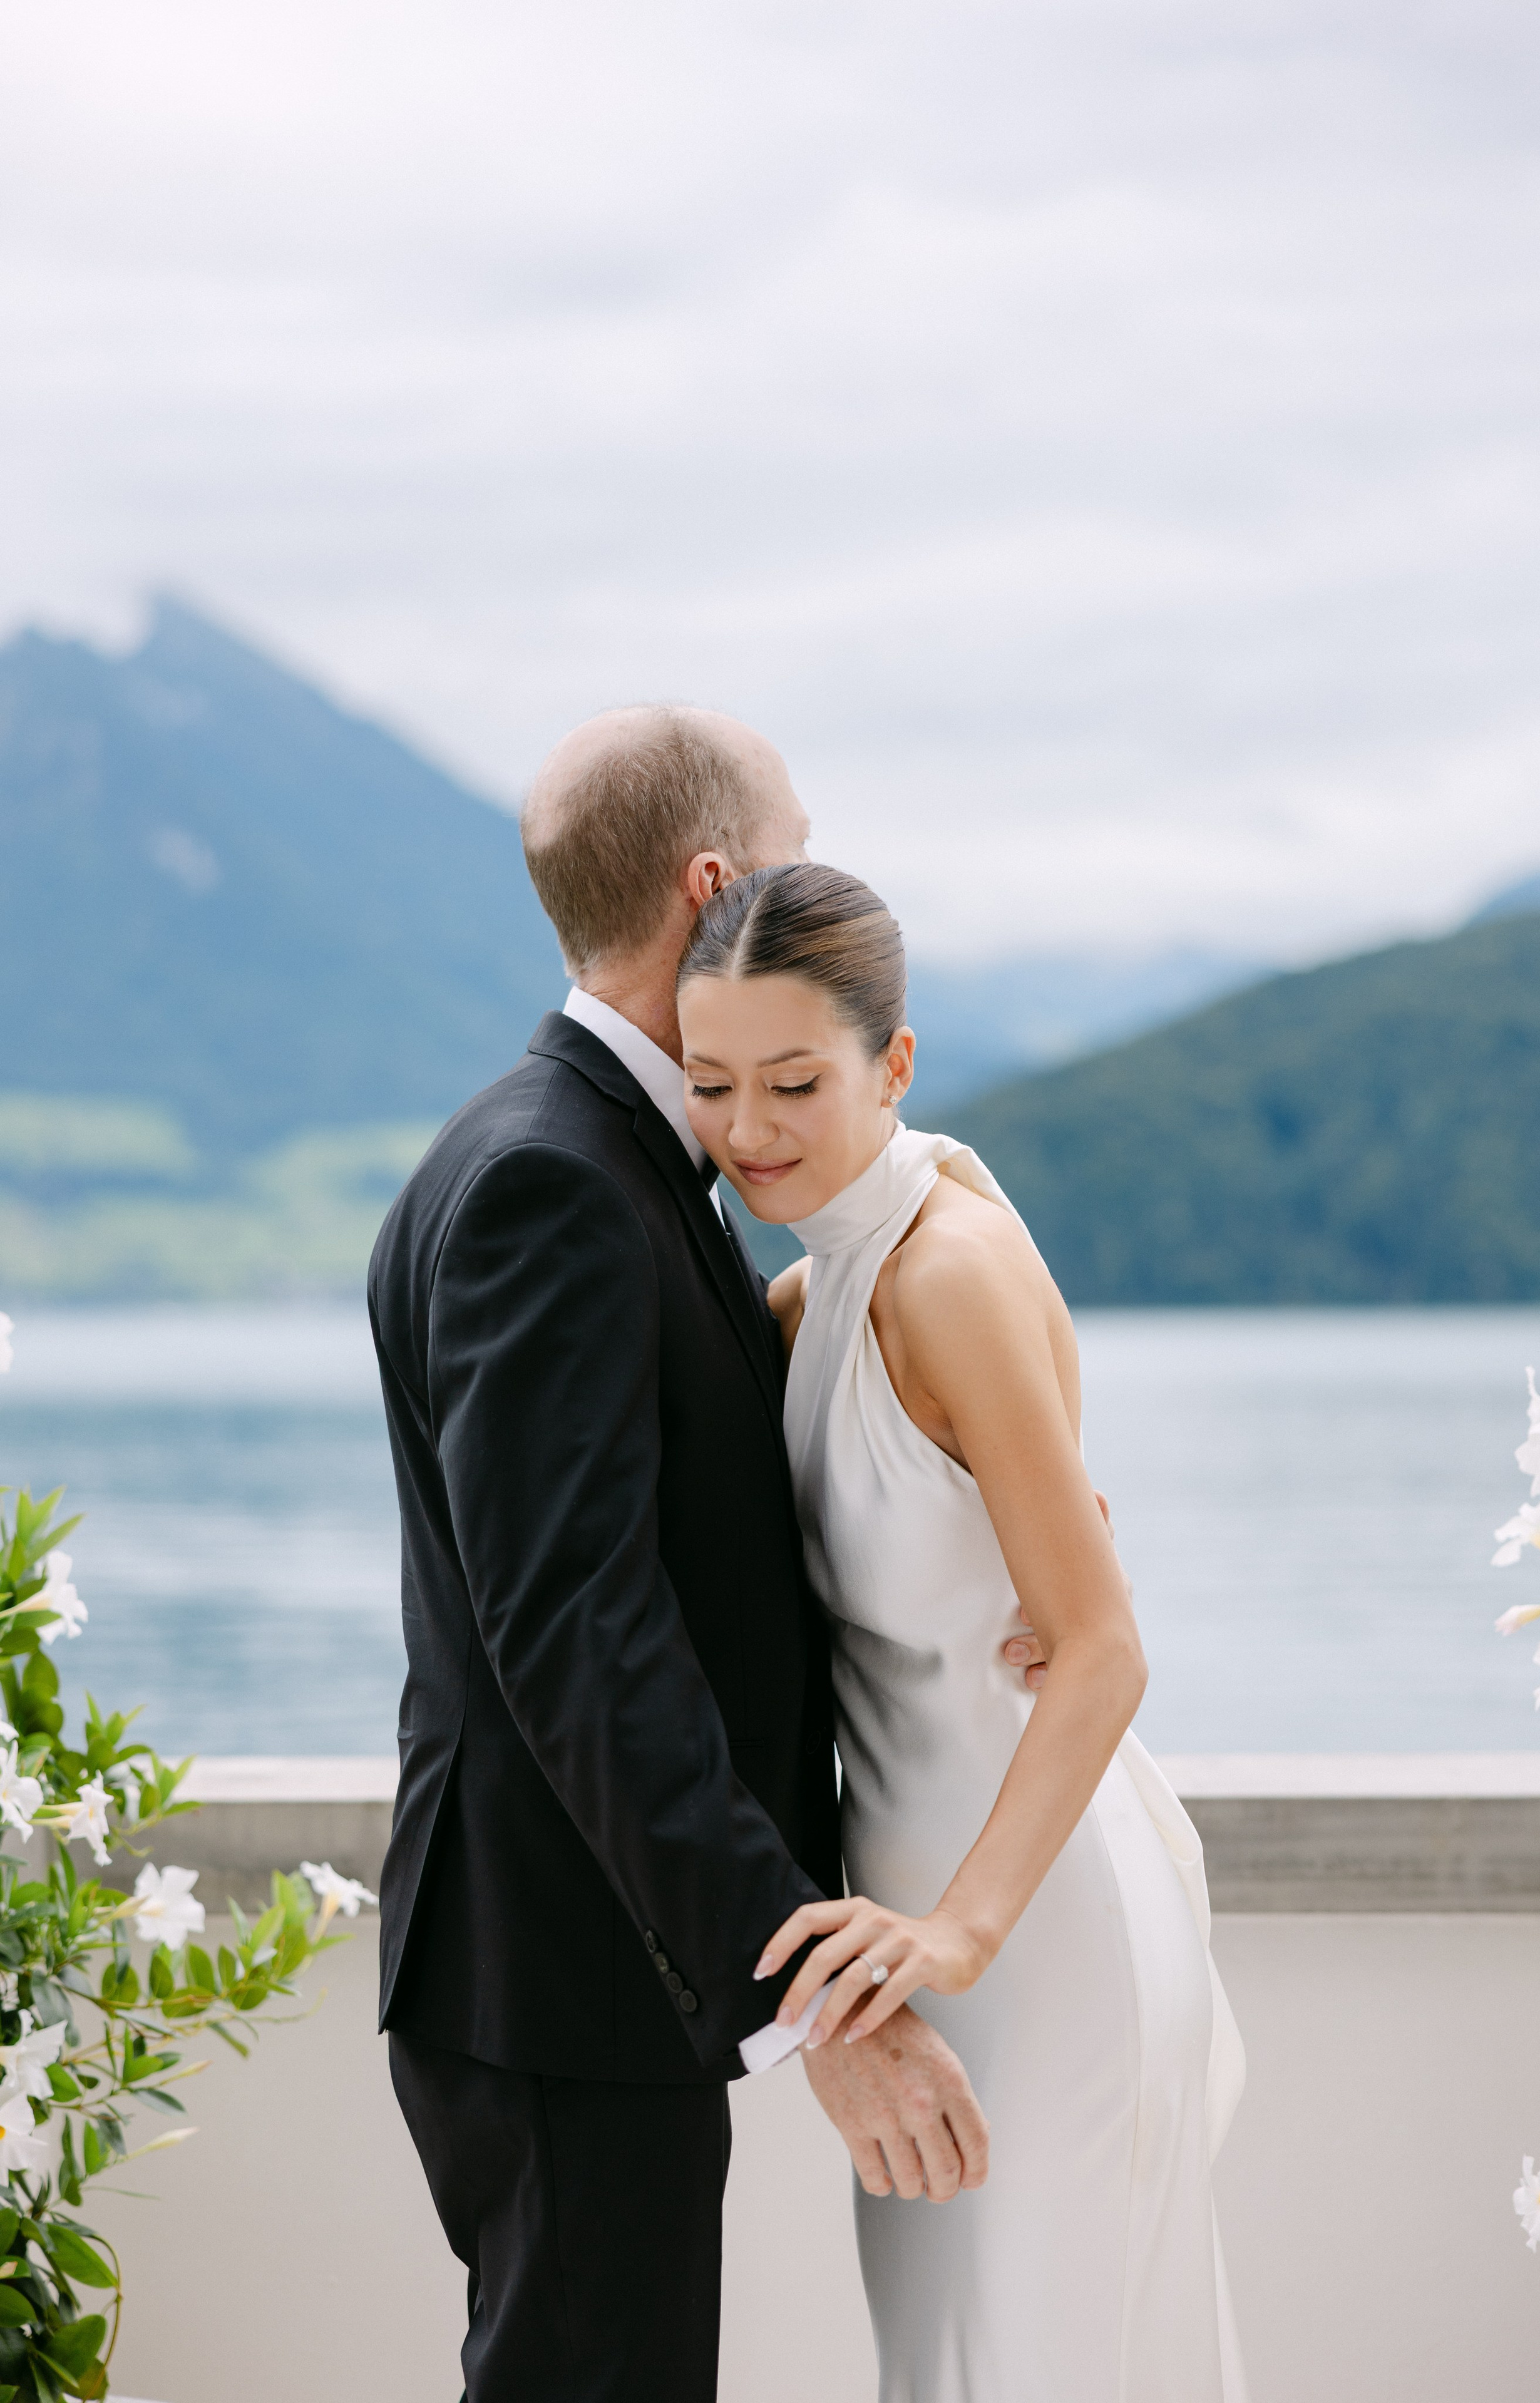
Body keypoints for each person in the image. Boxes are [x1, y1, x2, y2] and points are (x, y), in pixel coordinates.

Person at [368, 706, 1038, 2403]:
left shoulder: (589, 1151)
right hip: (567, 1975)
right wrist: (812, 1994)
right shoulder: (554, 1181)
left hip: (582, 1967)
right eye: (798, 843)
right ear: (716, 882)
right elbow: (578, 1632)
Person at [677, 860, 1250, 2403]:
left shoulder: (950, 1269)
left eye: (795, 1080)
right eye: (713, 1083)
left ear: (895, 1064)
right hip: (908, 1931)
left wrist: (960, 1931)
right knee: (939, 2367)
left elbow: (1102, 1645)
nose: (749, 1128)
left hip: (1032, 1924)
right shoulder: (801, 1303)